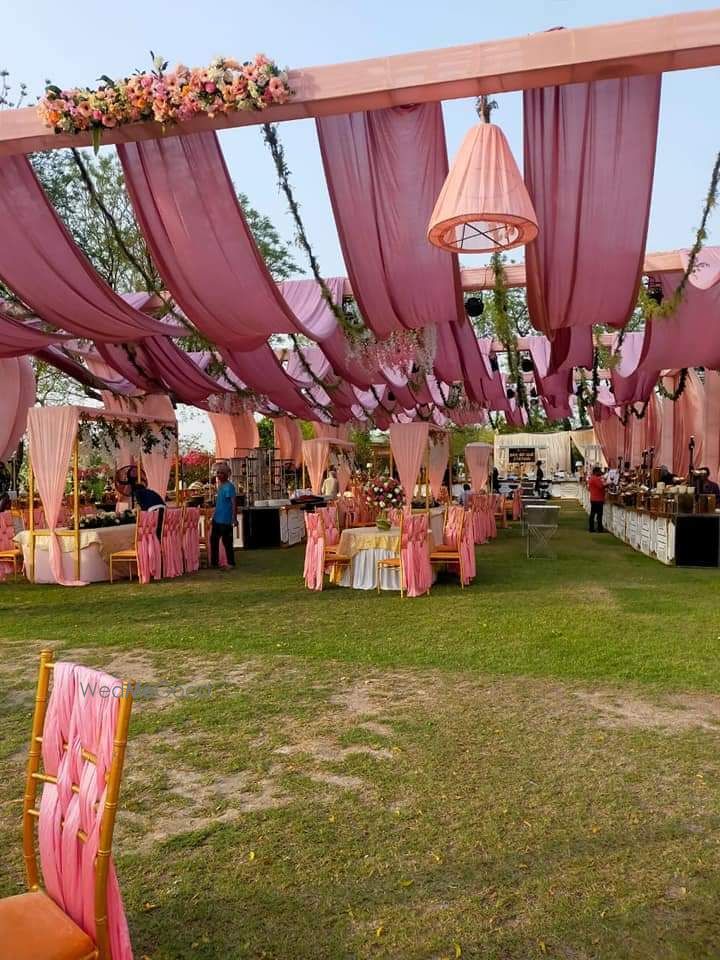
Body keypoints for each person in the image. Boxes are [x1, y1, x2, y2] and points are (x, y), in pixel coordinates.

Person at [211, 463, 237, 569]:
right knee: (213, 541)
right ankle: (214, 563)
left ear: (226, 475)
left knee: (227, 542)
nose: (218, 475)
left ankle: (231, 563)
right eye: (217, 473)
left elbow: (234, 503)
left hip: (225, 519)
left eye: (221, 473)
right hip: (217, 518)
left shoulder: (229, 487)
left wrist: (234, 518)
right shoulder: (220, 486)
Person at [588, 466, 607, 533]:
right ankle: (599, 528)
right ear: (596, 472)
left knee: (593, 514)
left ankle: (591, 528)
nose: (600, 473)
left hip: (594, 498)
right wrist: (607, 484)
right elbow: (601, 486)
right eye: (599, 472)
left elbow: (589, 488)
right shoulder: (596, 478)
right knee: (599, 515)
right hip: (598, 499)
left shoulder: (591, 478)